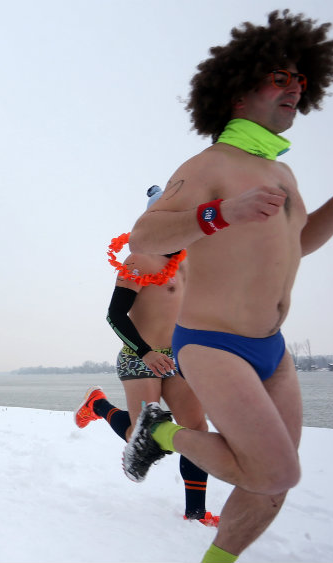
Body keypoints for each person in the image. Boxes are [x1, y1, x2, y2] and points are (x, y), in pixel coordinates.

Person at [123, 11, 333, 562]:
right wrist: (219, 214)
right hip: (212, 344)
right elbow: (145, 233)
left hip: (273, 350)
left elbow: (302, 242)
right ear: (238, 94)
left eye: (300, 80)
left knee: (271, 486)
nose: (294, 87)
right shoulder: (209, 164)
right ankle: (160, 434)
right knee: (277, 468)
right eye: (279, 77)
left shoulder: (281, 174)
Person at [75, 186, 216, 525]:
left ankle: (196, 512)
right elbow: (115, 315)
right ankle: (98, 405)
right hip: (139, 356)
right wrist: (147, 352)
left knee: (197, 431)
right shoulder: (139, 260)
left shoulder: (187, 263)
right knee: (142, 436)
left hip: (177, 358)